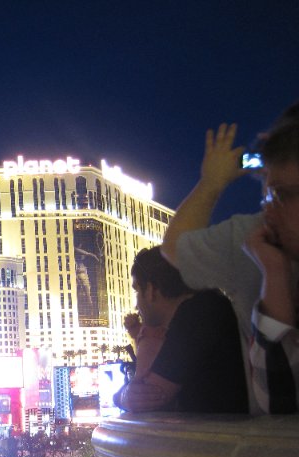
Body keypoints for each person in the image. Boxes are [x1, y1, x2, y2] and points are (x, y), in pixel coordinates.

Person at [161, 105, 299, 413]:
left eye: (280, 194)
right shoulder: (259, 241)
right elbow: (278, 397)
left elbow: (174, 247)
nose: (269, 209)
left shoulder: (249, 237)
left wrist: (211, 182)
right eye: (267, 194)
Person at [113, 247, 248, 413]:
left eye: (137, 290)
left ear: (151, 290)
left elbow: (150, 396)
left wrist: (121, 397)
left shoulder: (196, 314)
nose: (136, 304)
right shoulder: (205, 306)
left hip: (225, 434)